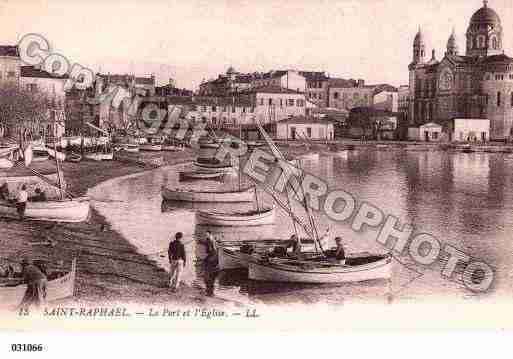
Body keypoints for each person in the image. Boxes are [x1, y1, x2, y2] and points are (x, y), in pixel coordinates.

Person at [203, 231, 218, 297]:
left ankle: (210, 292)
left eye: (207, 234)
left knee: (209, 277)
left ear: (210, 234)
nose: (206, 235)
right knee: (210, 278)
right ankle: (210, 292)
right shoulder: (209, 240)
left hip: (212, 259)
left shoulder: (210, 240)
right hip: (212, 258)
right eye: (206, 234)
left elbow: (212, 250)